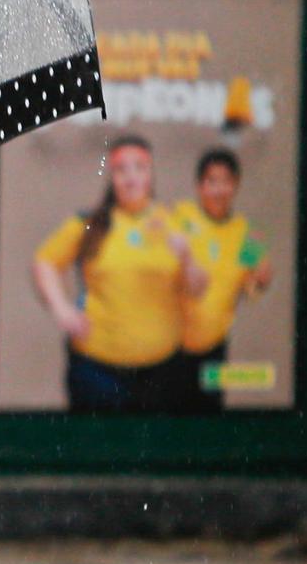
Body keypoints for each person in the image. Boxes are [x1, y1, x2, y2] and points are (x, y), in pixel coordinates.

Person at [31, 135, 210, 414]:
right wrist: (61, 309)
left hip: (163, 372)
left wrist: (186, 258)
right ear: (111, 176)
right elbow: (45, 262)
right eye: (121, 169)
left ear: (151, 173)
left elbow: (199, 288)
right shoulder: (90, 223)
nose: (131, 177)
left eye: (139, 168)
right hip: (96, 371)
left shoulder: (176, 223)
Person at [169, 149, 274, 413]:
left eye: (225, 181)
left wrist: (261, 280)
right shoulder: (181, 216)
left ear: (235, 184)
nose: (218, 189)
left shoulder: (248, 233)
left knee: (208, 421)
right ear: (199, 186)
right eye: (211, 181)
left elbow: (250, 290)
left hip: (214, 348)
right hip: (170, 347)